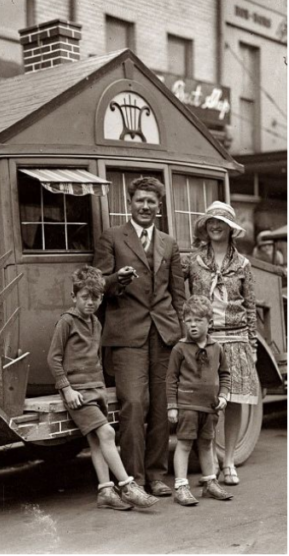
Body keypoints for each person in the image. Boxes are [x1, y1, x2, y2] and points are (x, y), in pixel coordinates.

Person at [93, 176, 185, 497]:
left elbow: (178, 295)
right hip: (127, 334)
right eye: (139, 201)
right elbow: (98, 285)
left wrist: (184, 337)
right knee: (133, 403)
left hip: (164, 334)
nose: (145, 206)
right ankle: (133, 479)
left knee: (161, 406)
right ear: (129, 204)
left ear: (159, 207)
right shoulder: (112, 238)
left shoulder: (169, 244)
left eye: (151, 202)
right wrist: (116, 278)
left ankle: (158, 475)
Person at [47, 266, 159, 510]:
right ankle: (128, 486)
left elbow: (95, 357)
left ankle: (105, 491)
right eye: (85, 296)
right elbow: (53, 358)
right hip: (78, 392)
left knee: (97, 441)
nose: (90, 302)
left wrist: (101, 386)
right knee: (107, 433)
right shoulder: (66, 322)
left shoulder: (96, 323)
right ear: (73, 296)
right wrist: (66, 389)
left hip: (95, 388)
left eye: (96, 297)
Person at [185, 201, 260, 487]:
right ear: (205, 227)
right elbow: (180, 296)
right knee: (208, 403)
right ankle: (211, 461)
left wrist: (252, 347)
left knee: (234, 402)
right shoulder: (194, 262)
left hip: (237, 338)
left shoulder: (243, 264)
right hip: (207, 341)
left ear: (231, 229)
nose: (215, 226)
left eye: (221, 222)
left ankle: (228, 461)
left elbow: (250, 307)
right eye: (210, 222)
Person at [166, 295, 234, 505]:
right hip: (187, 406)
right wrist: (172, 406)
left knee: (206, 444)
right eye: (189, 320)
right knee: (184, 444)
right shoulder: (180, 348)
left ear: (209, 322)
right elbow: (171, 378)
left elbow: (225, 374)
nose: (193, 325)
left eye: (198, 320)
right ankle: (181, 486)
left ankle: (210, 483)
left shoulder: (217, 348)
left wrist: (223, 395)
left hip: (210, 407)